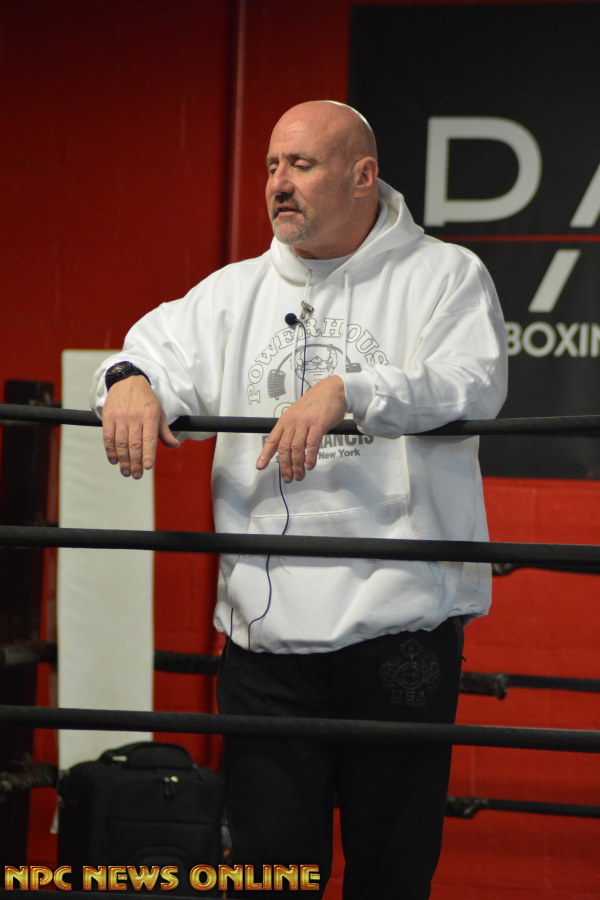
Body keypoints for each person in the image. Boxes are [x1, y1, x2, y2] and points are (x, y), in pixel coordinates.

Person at [91, 100, 507, 899]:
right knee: (269, 873)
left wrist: (351, 391)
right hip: (267, 643)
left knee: (390, 874)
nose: (279, 183)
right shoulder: (234, 293)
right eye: (273, 166)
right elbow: (145, 354)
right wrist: (129, 381)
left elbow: (473, 381)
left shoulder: (445, 276)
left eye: (302, 166)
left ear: (363, 176)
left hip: (400, 631)